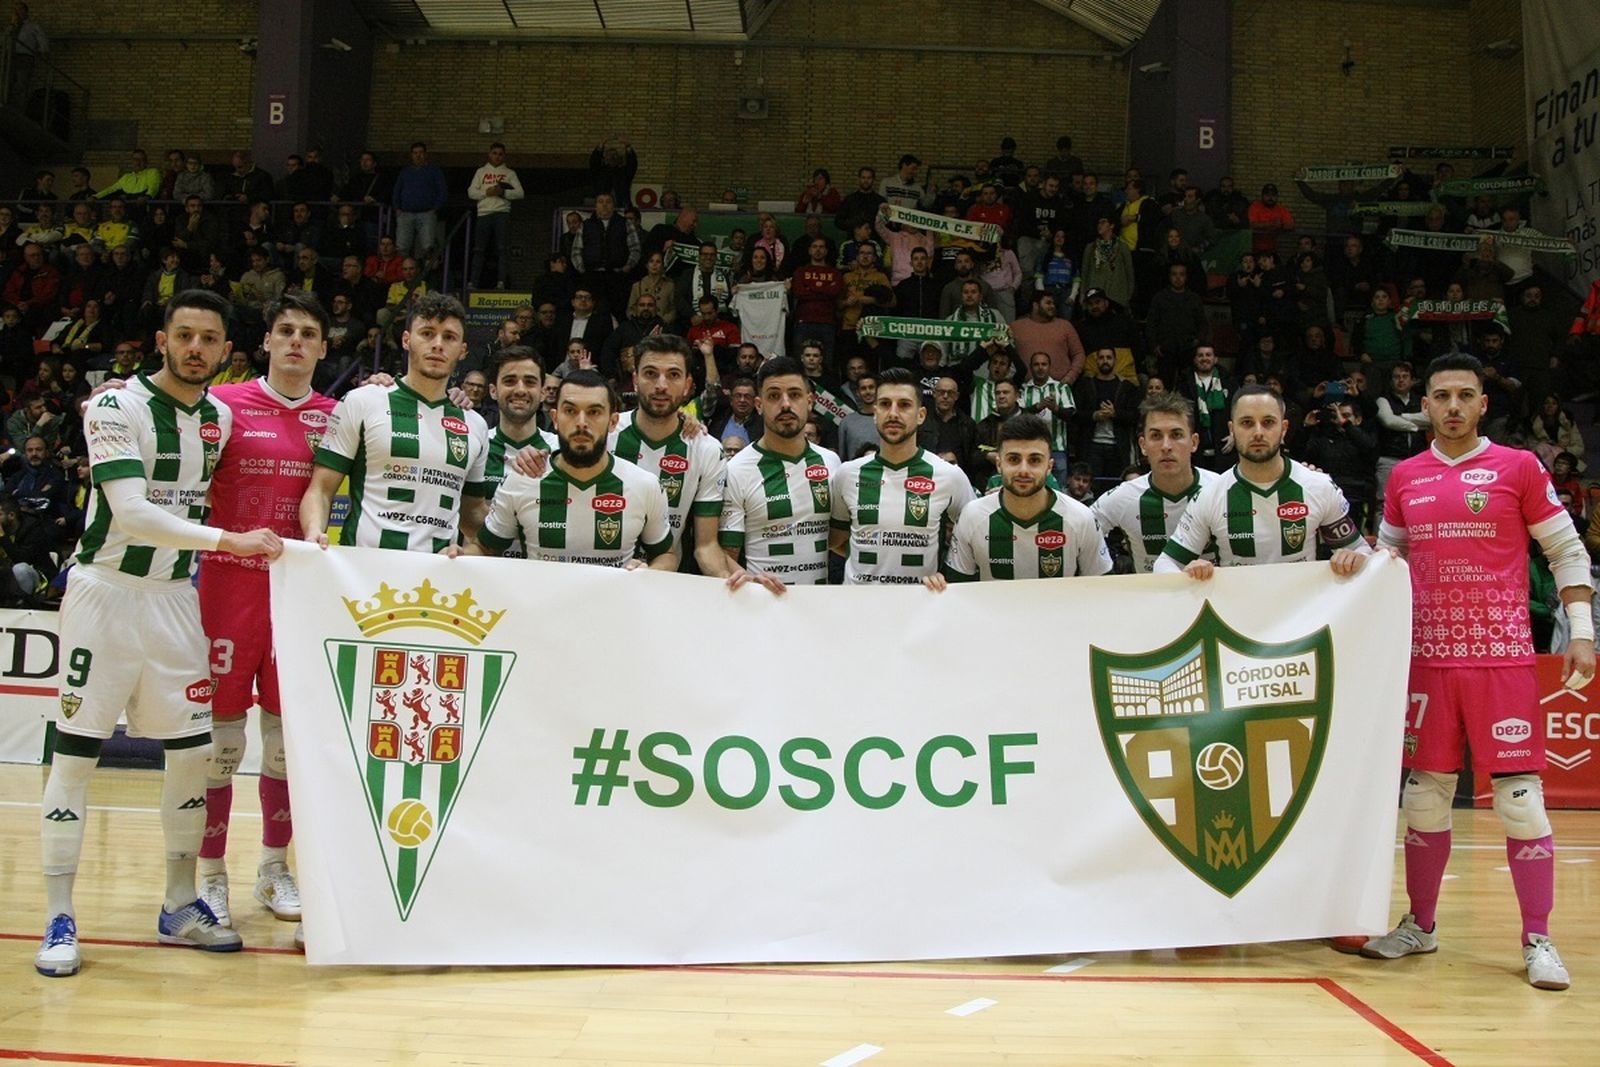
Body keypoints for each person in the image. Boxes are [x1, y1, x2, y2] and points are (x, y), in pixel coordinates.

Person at [34, 290, 285, 978]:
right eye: (185, 335)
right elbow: (133, 511)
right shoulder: (117, 407)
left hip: (175, 601)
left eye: (209, 338)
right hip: (106, 596)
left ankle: (178, 903)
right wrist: (228, 539)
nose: (195, 348)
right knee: (75, 757)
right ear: (162, 340)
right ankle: (59, 915)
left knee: (193, 755)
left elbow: (286, 415)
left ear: (226, 350)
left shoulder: (220, 416)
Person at [1360, 353, 1592, 992]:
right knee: (1423, 798)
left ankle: (1538, 938)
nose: (1454, 406)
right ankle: (1420, 925)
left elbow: (1566, 550)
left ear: (1483, 404)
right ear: (1425, 406)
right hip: (1428, 662)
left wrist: (1582, 633)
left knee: (1520, 802)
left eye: (1465, 395)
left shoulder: (1519, 467)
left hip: (1501, 658)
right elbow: (1387, 561)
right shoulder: (1405, 477)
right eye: (1442, 396)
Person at [185, 291, 341, 940]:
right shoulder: (222, 404)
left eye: (308, 332)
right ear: (267, 341)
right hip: (226, 589)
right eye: (286, 330)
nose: (297, 341)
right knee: (220, 747)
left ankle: (274, 869)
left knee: (283, 746)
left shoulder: (338, 417)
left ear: (324, 348)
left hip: (295, 596)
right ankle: (210, 875)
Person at [301, 292, 490, 552]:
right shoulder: (362, 401)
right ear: (406, 339)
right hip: (363, 570)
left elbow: (473, 515)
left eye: (449, 337)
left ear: (463, 350)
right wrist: (313, 532)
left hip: (438, 574)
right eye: (427, 333)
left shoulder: (475, 425)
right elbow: (321, 489)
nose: (438, 345)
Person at [471, 369, 674, 570]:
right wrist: (456, 558)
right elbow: (483, 547)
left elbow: (667, 555)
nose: (581, 423)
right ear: (555, 418)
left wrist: (648, 573)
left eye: (594, 412)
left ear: (612, 422)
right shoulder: (521, 480)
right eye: (570, 411)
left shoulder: (644, 485)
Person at [1155, 385, 1370, 573]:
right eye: (1247, 423)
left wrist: (1354, 557)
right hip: (1237, 608)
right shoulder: (1210, 495)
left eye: (1268, 422)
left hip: (1302, 608)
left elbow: (1361, 550)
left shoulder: (1318, 486)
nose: (1258, 432)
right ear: (1232, 429)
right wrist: (1188, 574)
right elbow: (1165, 563)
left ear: (1284, 429)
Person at [829, 367, 974, 584]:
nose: (893, 414)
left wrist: (947, 574)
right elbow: (835, 540)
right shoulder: (847, 474)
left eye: (904, 405)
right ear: (875, 413)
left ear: (921, 415)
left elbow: (974, 536)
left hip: (920, 600)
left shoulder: (949, 475)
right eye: (885, 404)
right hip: (859, 600)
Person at [928, 413, 1109, 585]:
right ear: (999, 464)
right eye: (1014, 459)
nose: (1023, 470)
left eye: (1035, 460)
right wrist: (936, 586)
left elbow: (1102, 588)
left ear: (1049, 466)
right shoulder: (972, 516)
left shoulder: (1081, 518)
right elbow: (958, 589)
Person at [609, 336, 733, 577]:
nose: (661, 385)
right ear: (635, 380)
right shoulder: (605, 435)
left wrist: (726, 581)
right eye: (650, 374)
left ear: (688, 385)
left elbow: (706, 546)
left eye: (673, 375)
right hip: (603, 579)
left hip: (669, 581)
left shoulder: (707, 450)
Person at [719, 355, 842, 589]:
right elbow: (726, 554)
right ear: (759, 405)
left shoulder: (831, 462)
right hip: (763, 603)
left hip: (818, 603)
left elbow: (841, 541)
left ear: (810, 401)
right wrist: (748, 580)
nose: (785, 404)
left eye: (794, 395)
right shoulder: (737, 469)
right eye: (774, 396)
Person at [1092, 394, 1218, 572]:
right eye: (1156, 436)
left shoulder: (1220, 490)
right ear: (1143, 445)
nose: (1166, 446)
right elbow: (1077, 531)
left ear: (1194, 442)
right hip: (1147, 591)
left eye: (1176, 435)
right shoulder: (1124, 497)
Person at [468, 142, 524, 290]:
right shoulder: (480, 172)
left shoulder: (510, 173)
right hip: (483, 213)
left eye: (500, 154)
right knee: (479, 249)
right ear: (489, 154)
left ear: (504, 156)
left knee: (502, 249)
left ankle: (501, 282)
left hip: (502, 213)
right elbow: (471, 192)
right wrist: (486, 193)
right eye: (494, 153)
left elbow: (520, 193)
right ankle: (473, 282)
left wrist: (503, 192)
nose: (497, 156)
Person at [391, 142, 448, 264]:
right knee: (402, 247)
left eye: (421, 153)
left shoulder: (434, 171)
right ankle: (402, 274)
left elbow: (442, 191)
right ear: (411, 155)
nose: (418, 155)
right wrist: (397, 208)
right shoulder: (405, 172)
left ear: (425, 154)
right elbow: (397, 190)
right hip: (405, 214)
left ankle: (427, 274)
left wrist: (435, 208)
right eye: (415, 153)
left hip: (427, 213)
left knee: (428, 247)